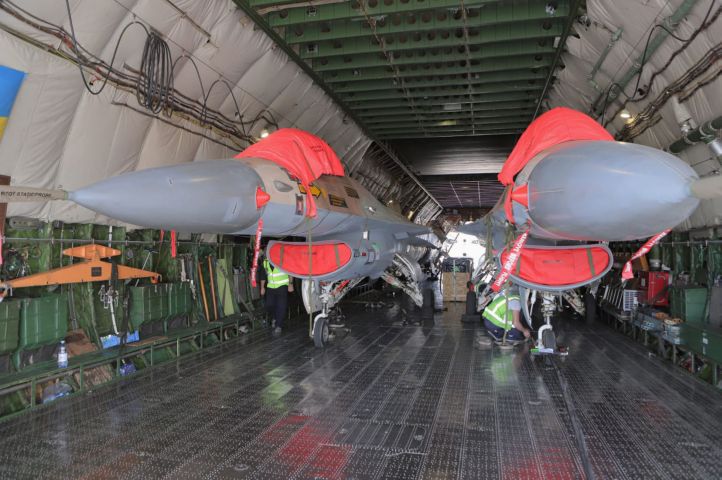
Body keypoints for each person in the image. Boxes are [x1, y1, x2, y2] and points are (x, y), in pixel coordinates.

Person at [258, 254, 293, 334]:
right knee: (269, 305)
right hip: (271, 287)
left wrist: (290, 284)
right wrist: (262, 287)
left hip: (282, 286)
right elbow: (263, 276)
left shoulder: (283, 260)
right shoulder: (265, 262)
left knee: (281, 306)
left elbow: (290, 272)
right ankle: (274, 317)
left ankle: (279, 325)